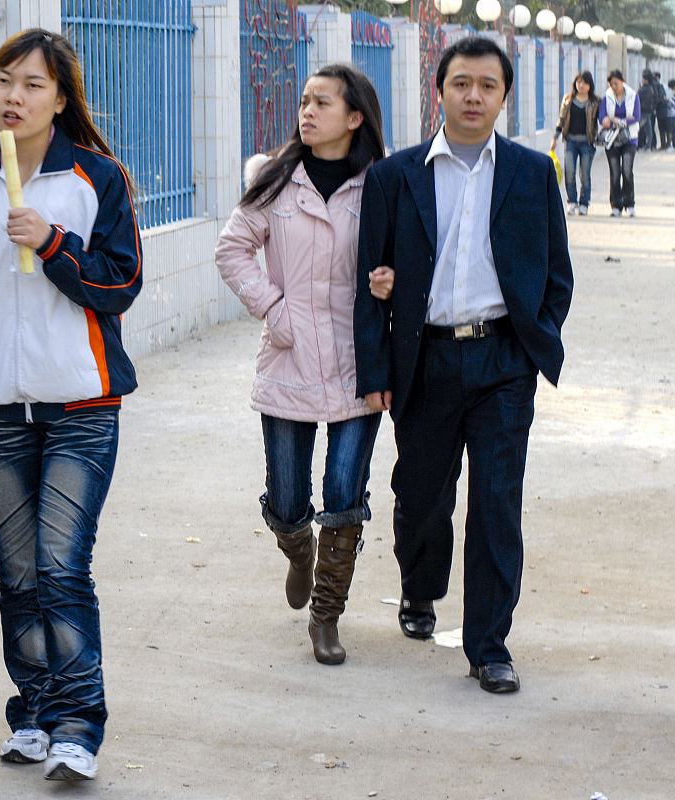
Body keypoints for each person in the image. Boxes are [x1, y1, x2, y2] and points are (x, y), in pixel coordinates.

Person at [0, 29, 141, 782]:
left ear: (61, 98)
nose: (13, 97)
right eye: (4, 80)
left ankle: (78, 724)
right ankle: (35, 713)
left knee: (60, 565)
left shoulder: (96, 177)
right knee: (18, 573)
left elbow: (120, 284)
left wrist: (53, 243)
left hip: (82, 404)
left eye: (33, 84)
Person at [353, 37, 573, 694]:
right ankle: (420, 587)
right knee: (422, 496)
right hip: (426, 358)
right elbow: (367, 283)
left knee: (497, 503)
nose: (473, 96)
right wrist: (377, 371)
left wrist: (536, 337)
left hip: (504, 360)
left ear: (505, 97)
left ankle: (489, 645)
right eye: (461, 84)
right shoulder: (396, 176)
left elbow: (557, 273)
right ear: (439, 90)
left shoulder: (533, 173)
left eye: (487, 85)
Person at [215, 65, 387, 666]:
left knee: (343, 494)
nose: (307, 111)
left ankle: (326, 615)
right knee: (289, 501)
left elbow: (407, 254)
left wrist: (391, 282)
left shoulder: (381, 184)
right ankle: (298, 552)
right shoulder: (276, 178)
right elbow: (232, 249)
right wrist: (275, 309)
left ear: (355, 117)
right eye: (304, 101)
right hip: (289, 357)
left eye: (322, 103)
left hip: (358, 363)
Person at [549, 71, 598, 216]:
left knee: (584, 174)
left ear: (590, 85)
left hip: (587, 142)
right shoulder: (568, 99)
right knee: (569, 171)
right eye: (579, 82)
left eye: (584, 82)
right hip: (570, 141)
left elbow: (602, 118)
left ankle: (584, 203)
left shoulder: (595, 102)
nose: (581, 85)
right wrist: (555, 138)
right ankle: (571, 201)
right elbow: (562, 119)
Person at [599, 69, 640, 217]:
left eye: (616, 83)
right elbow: (602, 117)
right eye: (611, 84)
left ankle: (629, 203)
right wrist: (608, 121)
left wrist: (619, 121)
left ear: (622, 81)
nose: (614, 87)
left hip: (629, 139)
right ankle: (616, 205)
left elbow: (636, 117)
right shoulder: (607, 97)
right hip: (612, 140)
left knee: (627, 171)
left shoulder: (633, 96)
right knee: (615, 173)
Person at [638, 69, 656, 151]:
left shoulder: (646, 89)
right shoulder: (649, 88)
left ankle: (642, 146)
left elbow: (640, 99)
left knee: (637, 128)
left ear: (645, 79)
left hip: (644, 111)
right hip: (648, 111)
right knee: (648, 129)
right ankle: (648, 146)